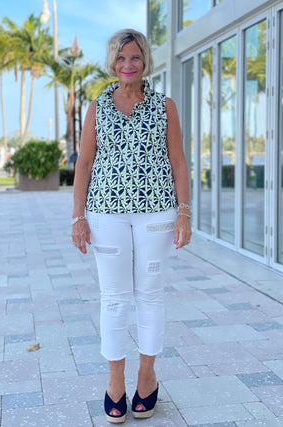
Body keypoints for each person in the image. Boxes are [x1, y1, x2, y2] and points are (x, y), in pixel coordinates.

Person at [71, 28, 192, 423]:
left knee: (151, 294)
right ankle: (115, 382)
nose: (127, 65)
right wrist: (78, 216)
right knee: (114, 297)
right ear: (112, 62)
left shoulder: (165, 106)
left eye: (135, 58)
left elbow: (178, 162)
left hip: (157, 213)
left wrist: (185, 212)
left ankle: (146, 375)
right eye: (121, 58)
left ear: (145, 62)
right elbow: (85, 164)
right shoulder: (97, 107)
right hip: (106, 214)